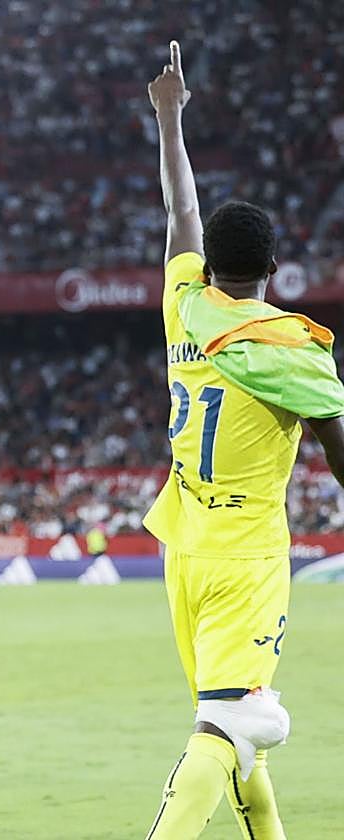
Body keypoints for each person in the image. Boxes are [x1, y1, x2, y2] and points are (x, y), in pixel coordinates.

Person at [142, 42, 344, 839]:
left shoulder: (184, 308)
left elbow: (179, 212)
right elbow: (337, 442)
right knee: (230, 724)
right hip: (246, 550)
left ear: (210, 266)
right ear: (273, 268)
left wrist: (167, 117)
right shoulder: (288, 348)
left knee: (233, 713)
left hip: (181, 542)